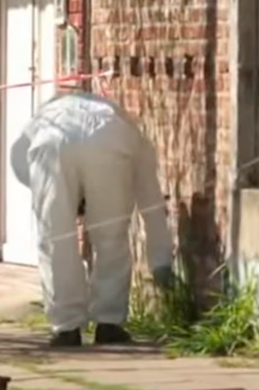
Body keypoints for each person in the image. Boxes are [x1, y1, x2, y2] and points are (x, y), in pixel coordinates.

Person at [10, 91, 174, 347]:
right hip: (109, 142)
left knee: (55, 239)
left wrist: (61, 203)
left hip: (52, 142)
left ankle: (66, 328)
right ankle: (109, 323)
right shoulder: (127, 129)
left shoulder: (39, 124)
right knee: (112, 238)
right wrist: (160, 261)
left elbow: (25, 168)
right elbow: (150, 200)